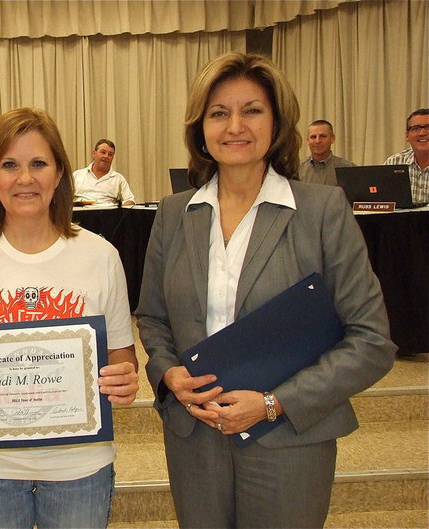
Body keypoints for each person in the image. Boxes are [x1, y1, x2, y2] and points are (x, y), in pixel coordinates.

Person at [135, 52, 396, 529]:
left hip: (288, 436)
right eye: (219, 113)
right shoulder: (174, 214)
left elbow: (372, 341)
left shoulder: (321, 210)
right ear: (200, 128)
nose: (235, 126)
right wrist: (168, 374)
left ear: (277, 123)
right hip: (196, 435)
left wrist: (274, 404)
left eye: (252, 110)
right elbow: (152, 318)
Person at [0, 107, 139, 528]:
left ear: (59, 173)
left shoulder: (101, 256)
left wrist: (125, 376)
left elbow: (122, 353)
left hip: (79, 465)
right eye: (9, 165)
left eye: (39, 163)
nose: (25, 178)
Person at [384, 108, 429, 204]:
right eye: (416, 128)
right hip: (402, 219)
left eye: (428, 127)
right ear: (407, 136)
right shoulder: (394, 163)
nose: (422, 133)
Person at [72, 139, 136, 205]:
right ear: (94, 154)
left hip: (108, 214)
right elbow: (63, 198)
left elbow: (130, 200)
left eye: (110, 154)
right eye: (103, 152)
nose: (106, 156)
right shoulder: (77, 175)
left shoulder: (118, 179)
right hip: (80, 213)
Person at [297, 119, 355, 185]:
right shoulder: (297, 169)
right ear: (307, 140)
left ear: (332, 139)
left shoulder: (348, 169)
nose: (317, 141)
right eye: (313, 137)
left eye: (322, 136)